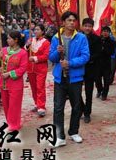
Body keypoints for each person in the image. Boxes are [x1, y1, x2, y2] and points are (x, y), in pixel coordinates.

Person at [49, 11, 89, 147]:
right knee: (58, 107)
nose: (72, 23)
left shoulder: (81, 38)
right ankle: (59, 136)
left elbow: (85, 56)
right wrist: (57, 52)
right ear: (63, 22)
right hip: (60, 78)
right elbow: (51, 57)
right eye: (69, 20)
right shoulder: (56, 38)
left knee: (76, 106)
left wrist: (70, 63)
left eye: (74, 20)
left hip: (75, 78)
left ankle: (73, 131)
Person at [0, 31, 28, 131]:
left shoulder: (23, 53)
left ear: (16, 40)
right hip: (3, 83)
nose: (7, 40)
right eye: (7, 38)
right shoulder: (3, 50)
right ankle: (9, 122)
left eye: (9, 38)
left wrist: (9, 74)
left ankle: (14, 124)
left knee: (14, 105)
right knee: (6, 104)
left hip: (15, 83)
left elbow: (23, 68)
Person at [81, 18, 102, 123]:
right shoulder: (77, 37)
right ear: (82, 26)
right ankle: (82, 108)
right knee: (75, 92)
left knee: (89, 93)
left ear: (92, 27)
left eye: (89, 26)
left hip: (91, 68)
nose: (87, 28)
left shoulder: (97, 39)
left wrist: (87, 59)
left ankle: (87, 113)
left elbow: (98, 54)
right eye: (86, 26)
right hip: (78, 68)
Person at [27, 24, 50, 117]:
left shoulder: (46, 43)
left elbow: (46, 56)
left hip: (41, 68)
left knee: (40, 87)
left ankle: (41, 107)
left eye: (38, 29)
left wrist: (36, 58)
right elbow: (25, 51)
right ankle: (37, 103)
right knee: (33, 87)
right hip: (30, 68)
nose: (35, 31)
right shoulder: (30, 40)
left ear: (42, 31)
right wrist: (27, 46)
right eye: (35, 29)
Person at [97, 26, 116, 100]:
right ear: (101, 32)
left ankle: (104, 94)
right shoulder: (98, 40)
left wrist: (103, 48)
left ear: (109, 33)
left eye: (107, 31)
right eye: (104, 31)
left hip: (107, 64)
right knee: (97, 80)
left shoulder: (112, 42)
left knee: (106, 80)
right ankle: (99, 90)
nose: (105, 33)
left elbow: (110, 52)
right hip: (98, 64)